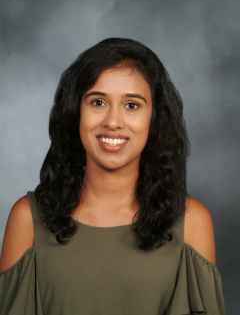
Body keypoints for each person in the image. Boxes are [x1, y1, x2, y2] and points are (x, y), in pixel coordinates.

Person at [0, 38, 225, 314]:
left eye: (132, 105)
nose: (113, 122)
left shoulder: (192, 221)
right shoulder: (27, 218)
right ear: (75, 113)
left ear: (154, 120)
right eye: (97, 102)